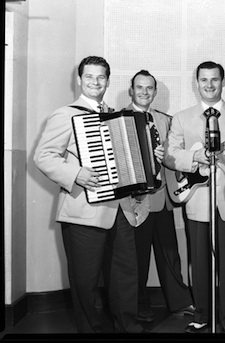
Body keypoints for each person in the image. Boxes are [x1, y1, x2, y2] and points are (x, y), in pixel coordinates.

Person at [34, 56, 149, 334]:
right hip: (83, 210)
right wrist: (75, 175)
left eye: (100, 78)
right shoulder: (66, 114)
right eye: (89, 77)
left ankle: (127, 325)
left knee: (124, 273)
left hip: (120, 208)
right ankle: (88, 330)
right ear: (79, 80)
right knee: (85, 280)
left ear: (107, 81)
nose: (95, 82)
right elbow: (43, 156)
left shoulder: (117, 115)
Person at [163, 61, 225, 334]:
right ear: (197, 83)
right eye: (204, 80)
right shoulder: (182, 118)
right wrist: (195, 156)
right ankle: (203, 315)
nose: (209, 85)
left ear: (223, 81)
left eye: (214, 80)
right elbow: (171, 155)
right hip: (197, 201)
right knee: (200, 262)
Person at [125, 70, 195, 322]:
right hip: (136, 201)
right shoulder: (118, 119)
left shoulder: (166, 120)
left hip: (164, 196)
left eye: (149, 88)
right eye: (139, 88)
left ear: (155, 92)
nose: (144, 92)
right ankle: (138, 305)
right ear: (131, 90)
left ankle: (180, 303)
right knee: (138, 257)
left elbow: (176, 154)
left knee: (170, 254)